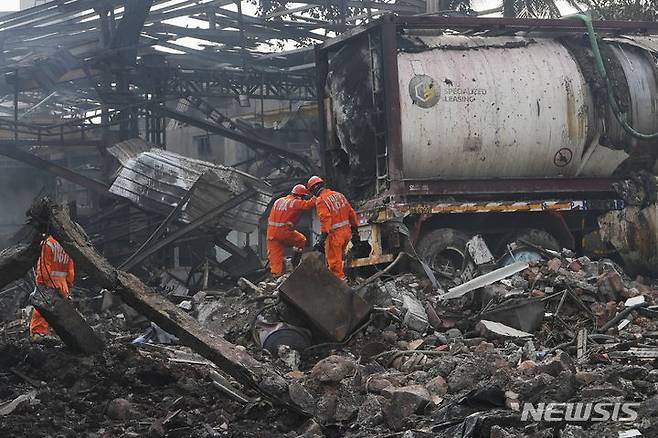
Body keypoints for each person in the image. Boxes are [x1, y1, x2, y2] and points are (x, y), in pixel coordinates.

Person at [307, 176, 360, 280]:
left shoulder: (321, 200)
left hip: (334, 236)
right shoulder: (339, 195)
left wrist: (322, 239)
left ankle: (340, 290)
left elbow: (325, 219)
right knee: (339, 260)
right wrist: (355, 231)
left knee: (334, 267)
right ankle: (347, 281)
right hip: (346, 234)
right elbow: (351, 213)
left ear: (313, 190)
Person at [30, 235, 75, 342]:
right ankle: (65, 337)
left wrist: (41, 283)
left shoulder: (48, 243)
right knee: (60, 313)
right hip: (62, 285)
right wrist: (68, 284)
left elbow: (44, 265)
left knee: (41, 311)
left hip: (49, 283)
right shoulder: (65, 246)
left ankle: (38, 334)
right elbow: (70, 271)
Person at [266, 184, 315, 278]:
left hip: (271, 233)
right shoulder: (295, 203)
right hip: (284, 232)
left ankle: (275, 279)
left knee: (275, 262)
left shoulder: (278, 201)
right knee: (301, 240)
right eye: (303, 197)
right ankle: (295, 263)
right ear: (299, 196)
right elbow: (309, 205)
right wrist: (317, 196)